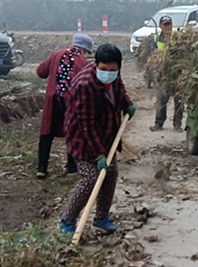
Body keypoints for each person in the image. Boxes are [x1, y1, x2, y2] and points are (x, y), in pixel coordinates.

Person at [60, 44, 136, 234]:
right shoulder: (85, 84)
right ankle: (67, 220)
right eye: (103, 69)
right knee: (91, 177)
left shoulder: (115, 76)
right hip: (83, 137)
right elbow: (87, 124)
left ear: (118, 68)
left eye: (112, 70)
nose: (108, 73)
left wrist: (127, 104)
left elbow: (120, 89)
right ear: (96, 64)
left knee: (110, 174)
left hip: (107, 131)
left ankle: (101, 217)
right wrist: (99, 154)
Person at [35, 33, 93, 179]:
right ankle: (72, 166)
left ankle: (42, 168)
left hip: (52, 99)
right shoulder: (83, 63)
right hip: (71, 101)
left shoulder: (56, 54)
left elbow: (41, 72)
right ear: (83, 49)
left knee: (47, 132)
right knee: (72, 132)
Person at [149, 15, 183, 132]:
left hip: (177, 73)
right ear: (160, 26)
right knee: (161, 99)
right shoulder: (156, 38)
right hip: (163, 73)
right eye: (165, 24)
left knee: (179, 100)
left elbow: (183, 52)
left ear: (172, 24)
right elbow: (154, 54)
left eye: (169, 24)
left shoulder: (178, 37)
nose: (167, 26)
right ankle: (158, 123)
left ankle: (177, 124)